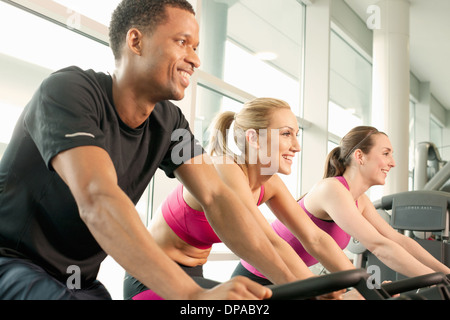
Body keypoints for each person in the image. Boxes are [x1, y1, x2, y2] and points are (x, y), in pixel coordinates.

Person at [0, 0, 280, 300]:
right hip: (12, 263)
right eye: (182, 42)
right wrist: (192, 294)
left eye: (196, 48)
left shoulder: (169, 122)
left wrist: (299, 283)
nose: (195, 60)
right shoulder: (68, 91)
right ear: (136, 41)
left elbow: (216, 196)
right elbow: (98, 197)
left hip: (77, 279)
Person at [124, 97, 356, 300]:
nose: (296, 146)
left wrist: (359, 288)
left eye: (296, 135)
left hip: (193, 274)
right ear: (253, 138)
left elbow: (315, 238)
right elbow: (266, 241)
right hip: (150, 274)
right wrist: (308, 289)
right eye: (286, 134)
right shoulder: (225, 168)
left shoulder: (271, 184)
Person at [234, 126, 450, 284]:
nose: (392, 162)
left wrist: (445, 274)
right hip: (258, 279)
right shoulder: (332, 189)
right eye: (386, 154)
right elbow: (379, 247)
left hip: (288, 279)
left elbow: (397, 240)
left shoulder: (360, 201)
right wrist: (437, 279)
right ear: (360, 156)